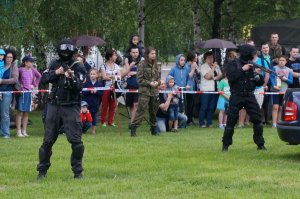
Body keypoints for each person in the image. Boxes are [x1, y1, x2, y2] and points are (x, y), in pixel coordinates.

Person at [36, 39, 86, 179]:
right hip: (54, 106)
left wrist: (71, 78)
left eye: (68, 52)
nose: (65, 54)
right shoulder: (54, 64)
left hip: (71, 106)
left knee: (76, 142)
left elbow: (78, 86)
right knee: (47, 141)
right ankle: (42, 171)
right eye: (63, 52)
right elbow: (43, 79)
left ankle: (78, 172)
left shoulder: (78, 66)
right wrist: (57, 72)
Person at [222, 44, 266, 152]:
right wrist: (243, 69)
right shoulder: (232, 64)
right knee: (231, 121)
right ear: (246, 53)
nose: (253, 55)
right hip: (236, 95)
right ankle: (225, 146)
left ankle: (260, 144)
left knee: (258, 120)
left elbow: (260, 82)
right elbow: (231, 78)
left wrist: (257, 75)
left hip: (250, 95)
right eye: (252, 53)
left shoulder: (253, 64)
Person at [130, 47, 161, 137]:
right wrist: (149, 83)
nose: (154, 55)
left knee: (154, 111)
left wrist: (157, 82)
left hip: (154, 92)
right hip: (145, 92)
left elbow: (159, 78)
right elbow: (139, 79)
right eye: (152, 53)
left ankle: (154, 130)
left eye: (155, 53)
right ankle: (133, 128)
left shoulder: (156, 65)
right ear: (147, 54)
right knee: (141, 111)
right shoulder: (142, 64)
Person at [16, 56, 41, 137]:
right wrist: (19, 84)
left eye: (32, 62)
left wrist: (33, 84)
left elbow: (39, 76)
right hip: (21, 93)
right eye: (30, 61)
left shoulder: (33, 70)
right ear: (25, 62)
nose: (32, 63)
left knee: (26, 112)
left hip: (29, 93)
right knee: (20, 112)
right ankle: (18, 131)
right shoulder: (20, 69)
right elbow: (16, 79)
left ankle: (24, 131)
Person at [199, 51, 222, 128]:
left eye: (212, 57)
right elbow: (207, 77)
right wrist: (213, 68)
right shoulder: (203, 67)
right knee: (204, 106)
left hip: (215, 89)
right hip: (206, 89)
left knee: (212, 107)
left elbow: (220, 75)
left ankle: (209, 122)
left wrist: (214, 77)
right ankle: (201, 122)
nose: (211, 59)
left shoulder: (216, 66)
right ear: (205, 59)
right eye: (209, 58)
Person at [100, 49, 121, 127]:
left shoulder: (117, 66)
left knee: (113, 105)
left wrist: (113, 77)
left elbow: (119, 76)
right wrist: (114, 77)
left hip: (114, 88)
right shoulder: (103, 66)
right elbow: (104, 77)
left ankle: (111, 121)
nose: (116, 56)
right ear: (110, 56)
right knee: (104, 105)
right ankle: (103, 121)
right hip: (106, 87)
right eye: (114, 55)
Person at [0, 48, 18, 139]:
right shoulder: (1, 64)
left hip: (7, 93)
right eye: (7, 57)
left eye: (11, 57)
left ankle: (6, 134)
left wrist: (2, 81)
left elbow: (15, 80)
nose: (9, 59)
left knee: (5, 114)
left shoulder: (13, 66)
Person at [270, 56, 293, 128]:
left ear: (286, 62)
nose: (281, 62)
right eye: (280, 60)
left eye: (283, 60)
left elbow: (291, 81)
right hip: (275, 90)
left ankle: (279, 122)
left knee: (281, 107)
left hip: (284, 91)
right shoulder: (274, 68)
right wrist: (274, 85)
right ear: (278, 61)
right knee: (275, 107)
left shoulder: (289, 70)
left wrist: (285, 79)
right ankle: (274, 124)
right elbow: (272, 78)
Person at [122, 46, 141, 124]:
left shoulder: (141, 61)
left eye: (136, 52)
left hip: (138, 86)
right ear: (130, 53)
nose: (135, 54)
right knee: (130, 105)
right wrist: (129, 66)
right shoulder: (127, 61)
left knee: (136, 104)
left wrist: (135, 73)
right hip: (129, 86)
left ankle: (132, 122)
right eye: (133, 52)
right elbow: (123, 74)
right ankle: (132, 119)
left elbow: (144, 73)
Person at [82, 68, 103, 134]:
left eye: (94, 74)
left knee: (94, 117)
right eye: (91, 74)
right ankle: (83, 129)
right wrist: (89, 91)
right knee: (85, 117)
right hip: (87, 104)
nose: (92, 75)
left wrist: (96, 91)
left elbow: (101, 93)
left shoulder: (99, 84)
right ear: (89, 75)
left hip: (95, 103)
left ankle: (93, 130)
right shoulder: (86, 83)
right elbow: (83, 93)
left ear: (97, 75)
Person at [185, 51, 198, 125]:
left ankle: (191, 119)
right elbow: (189, 76)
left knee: (192, 104)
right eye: (195, 57)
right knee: (189, 104)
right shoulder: (187, 66)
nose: (196, 58)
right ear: (192, 58)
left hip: (193, 87)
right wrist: (193, 69)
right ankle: (188, 120)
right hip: (188, 88)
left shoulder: (194, 65)